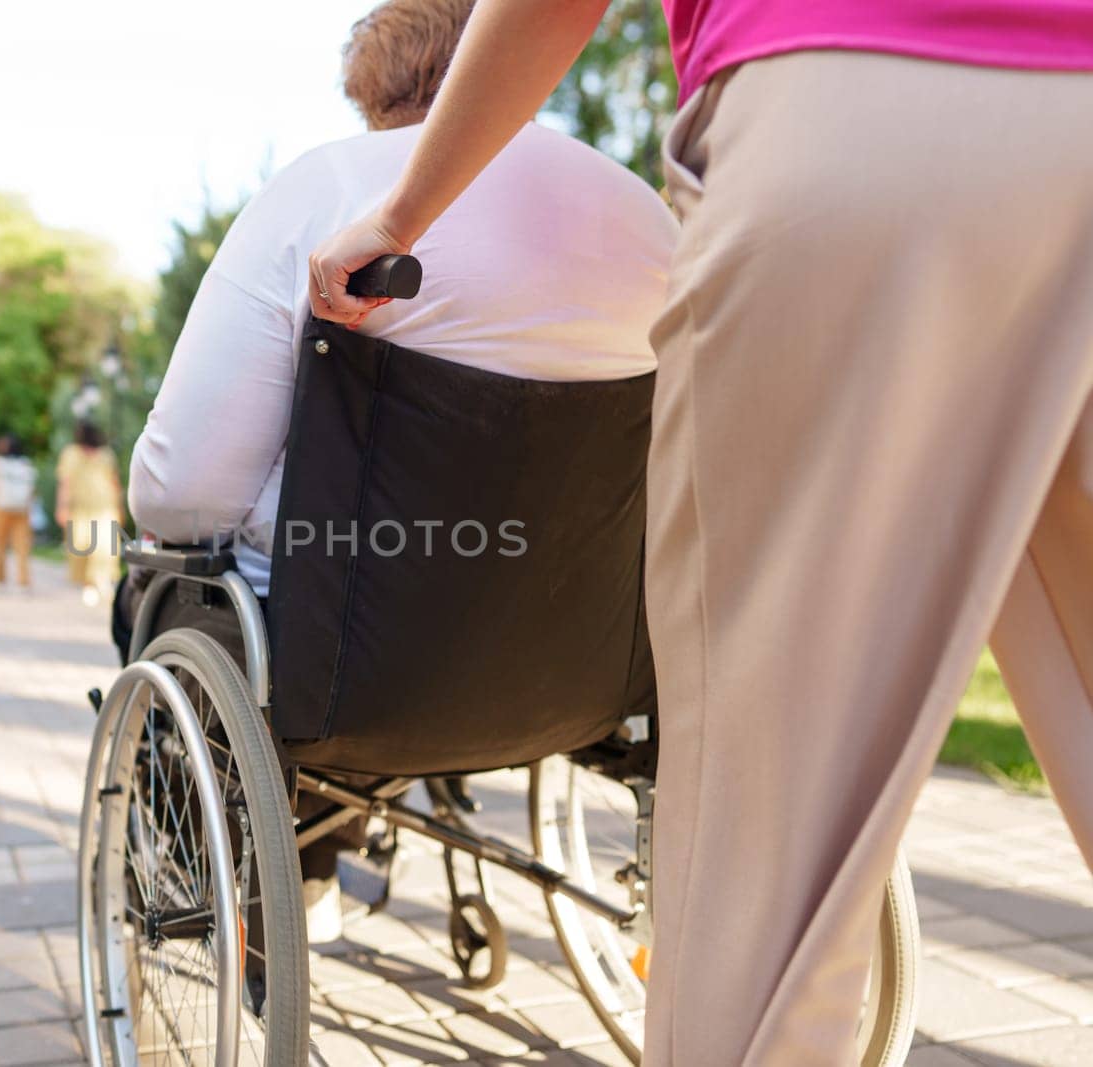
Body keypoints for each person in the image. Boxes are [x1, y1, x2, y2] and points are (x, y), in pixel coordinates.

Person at [308, 3, 1093, 1064]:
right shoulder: (615, 211)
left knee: (764, 814)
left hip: (856, 113)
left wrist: (401, 215)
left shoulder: (318, 190)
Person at [126, 0, 676, 942]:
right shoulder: (643, 213)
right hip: (591, 669)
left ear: (373, 90)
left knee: (164, 581)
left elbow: (182, 494)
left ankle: (297, 865)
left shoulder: (327, 191)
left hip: (344, 668)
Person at [56, 420, 124, 606]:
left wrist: (119, 507)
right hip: (80, 509)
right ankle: (89, 585)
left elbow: (114, 482)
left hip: (104, 507)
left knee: (105, 547)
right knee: (80, 546)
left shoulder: (105, 455)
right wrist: (63, 507)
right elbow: (66, 483)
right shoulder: (71, 453)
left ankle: (100, 582)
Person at [0, 435, 36, 590]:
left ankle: (0, 580)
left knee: (0, 546)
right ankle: (23, 581)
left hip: (1, 508)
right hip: (21, 509)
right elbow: (31, 491)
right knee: (22, 547)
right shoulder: (26, 464)